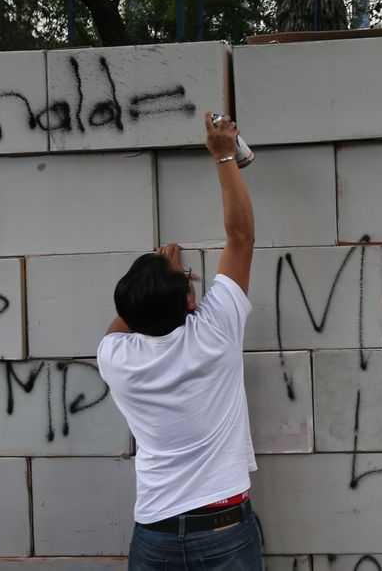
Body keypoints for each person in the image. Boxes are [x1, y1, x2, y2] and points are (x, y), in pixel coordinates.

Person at [96, 112, 260, 568]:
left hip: (156, 534)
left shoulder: (115, 358)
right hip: (223, 527)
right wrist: (224, 153)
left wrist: (157, 278)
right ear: (190, 303)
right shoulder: (216, 329)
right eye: (189, 279)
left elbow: (128, 318)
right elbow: (241, 237)